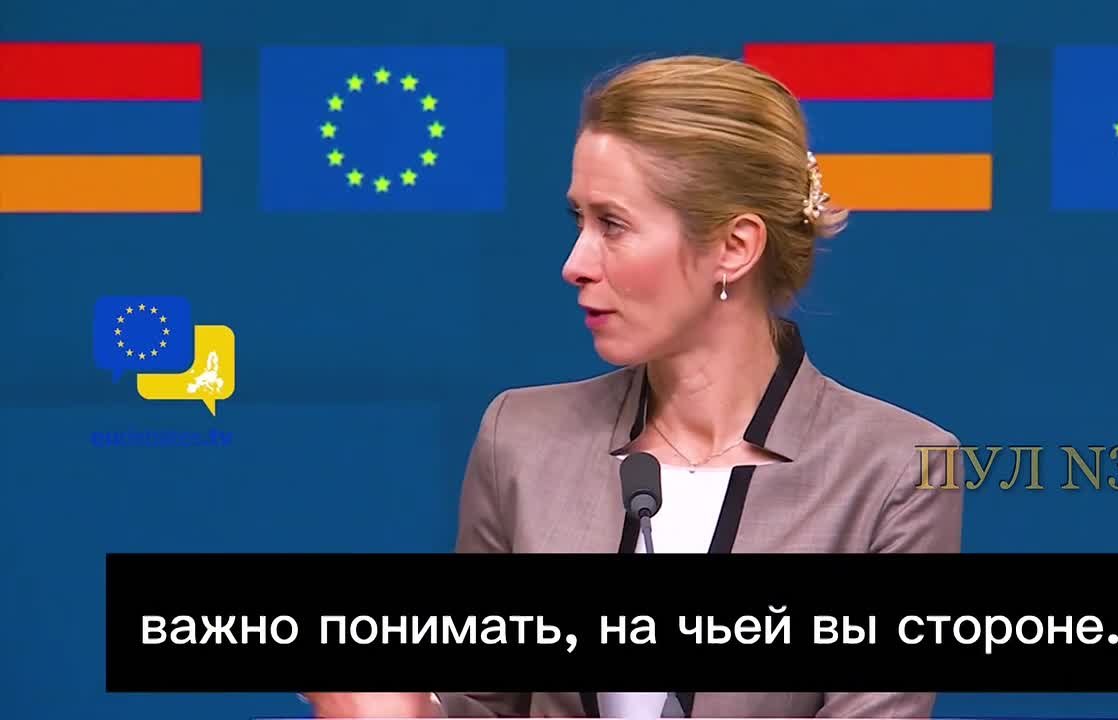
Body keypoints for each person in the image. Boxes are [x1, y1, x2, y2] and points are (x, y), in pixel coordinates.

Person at [305, 54, 964, 719]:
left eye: (613, 225)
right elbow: (484, 706)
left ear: (735, 246)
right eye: (579, 221)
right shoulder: (520, 441)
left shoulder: (898, 472)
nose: (574, 264)